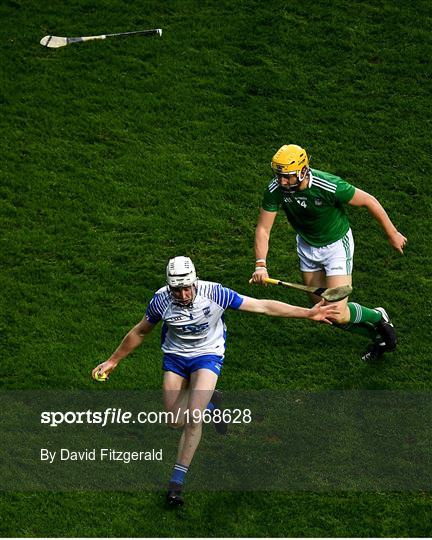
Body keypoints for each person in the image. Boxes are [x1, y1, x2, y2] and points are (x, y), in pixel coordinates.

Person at [93, 256, 339, 507]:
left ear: (195, 282)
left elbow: (262, 306)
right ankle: (212, 400)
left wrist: (307, 313)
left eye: (187, 287)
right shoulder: (161, 301)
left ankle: (175, 485)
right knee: (174, 420)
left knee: (193, 418)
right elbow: (140, 331)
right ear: (169, 287)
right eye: (177, 289)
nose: (184, 294)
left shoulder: (215, 293)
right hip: (176, 357)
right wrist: (113, 361)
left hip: (207, 355)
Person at [251, 144, 407, 362]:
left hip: (336, 247)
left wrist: (393, 234)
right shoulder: (276, 189)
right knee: (322, 311)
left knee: (337, 311)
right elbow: (263, 228)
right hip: (307, 247)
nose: (282, 181)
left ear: (303, 171)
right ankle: (379, 336)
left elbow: (368, 201)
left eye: (287, 177)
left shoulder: (328, 185)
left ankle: (377, 316)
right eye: (279, 176)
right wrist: (260, 264)